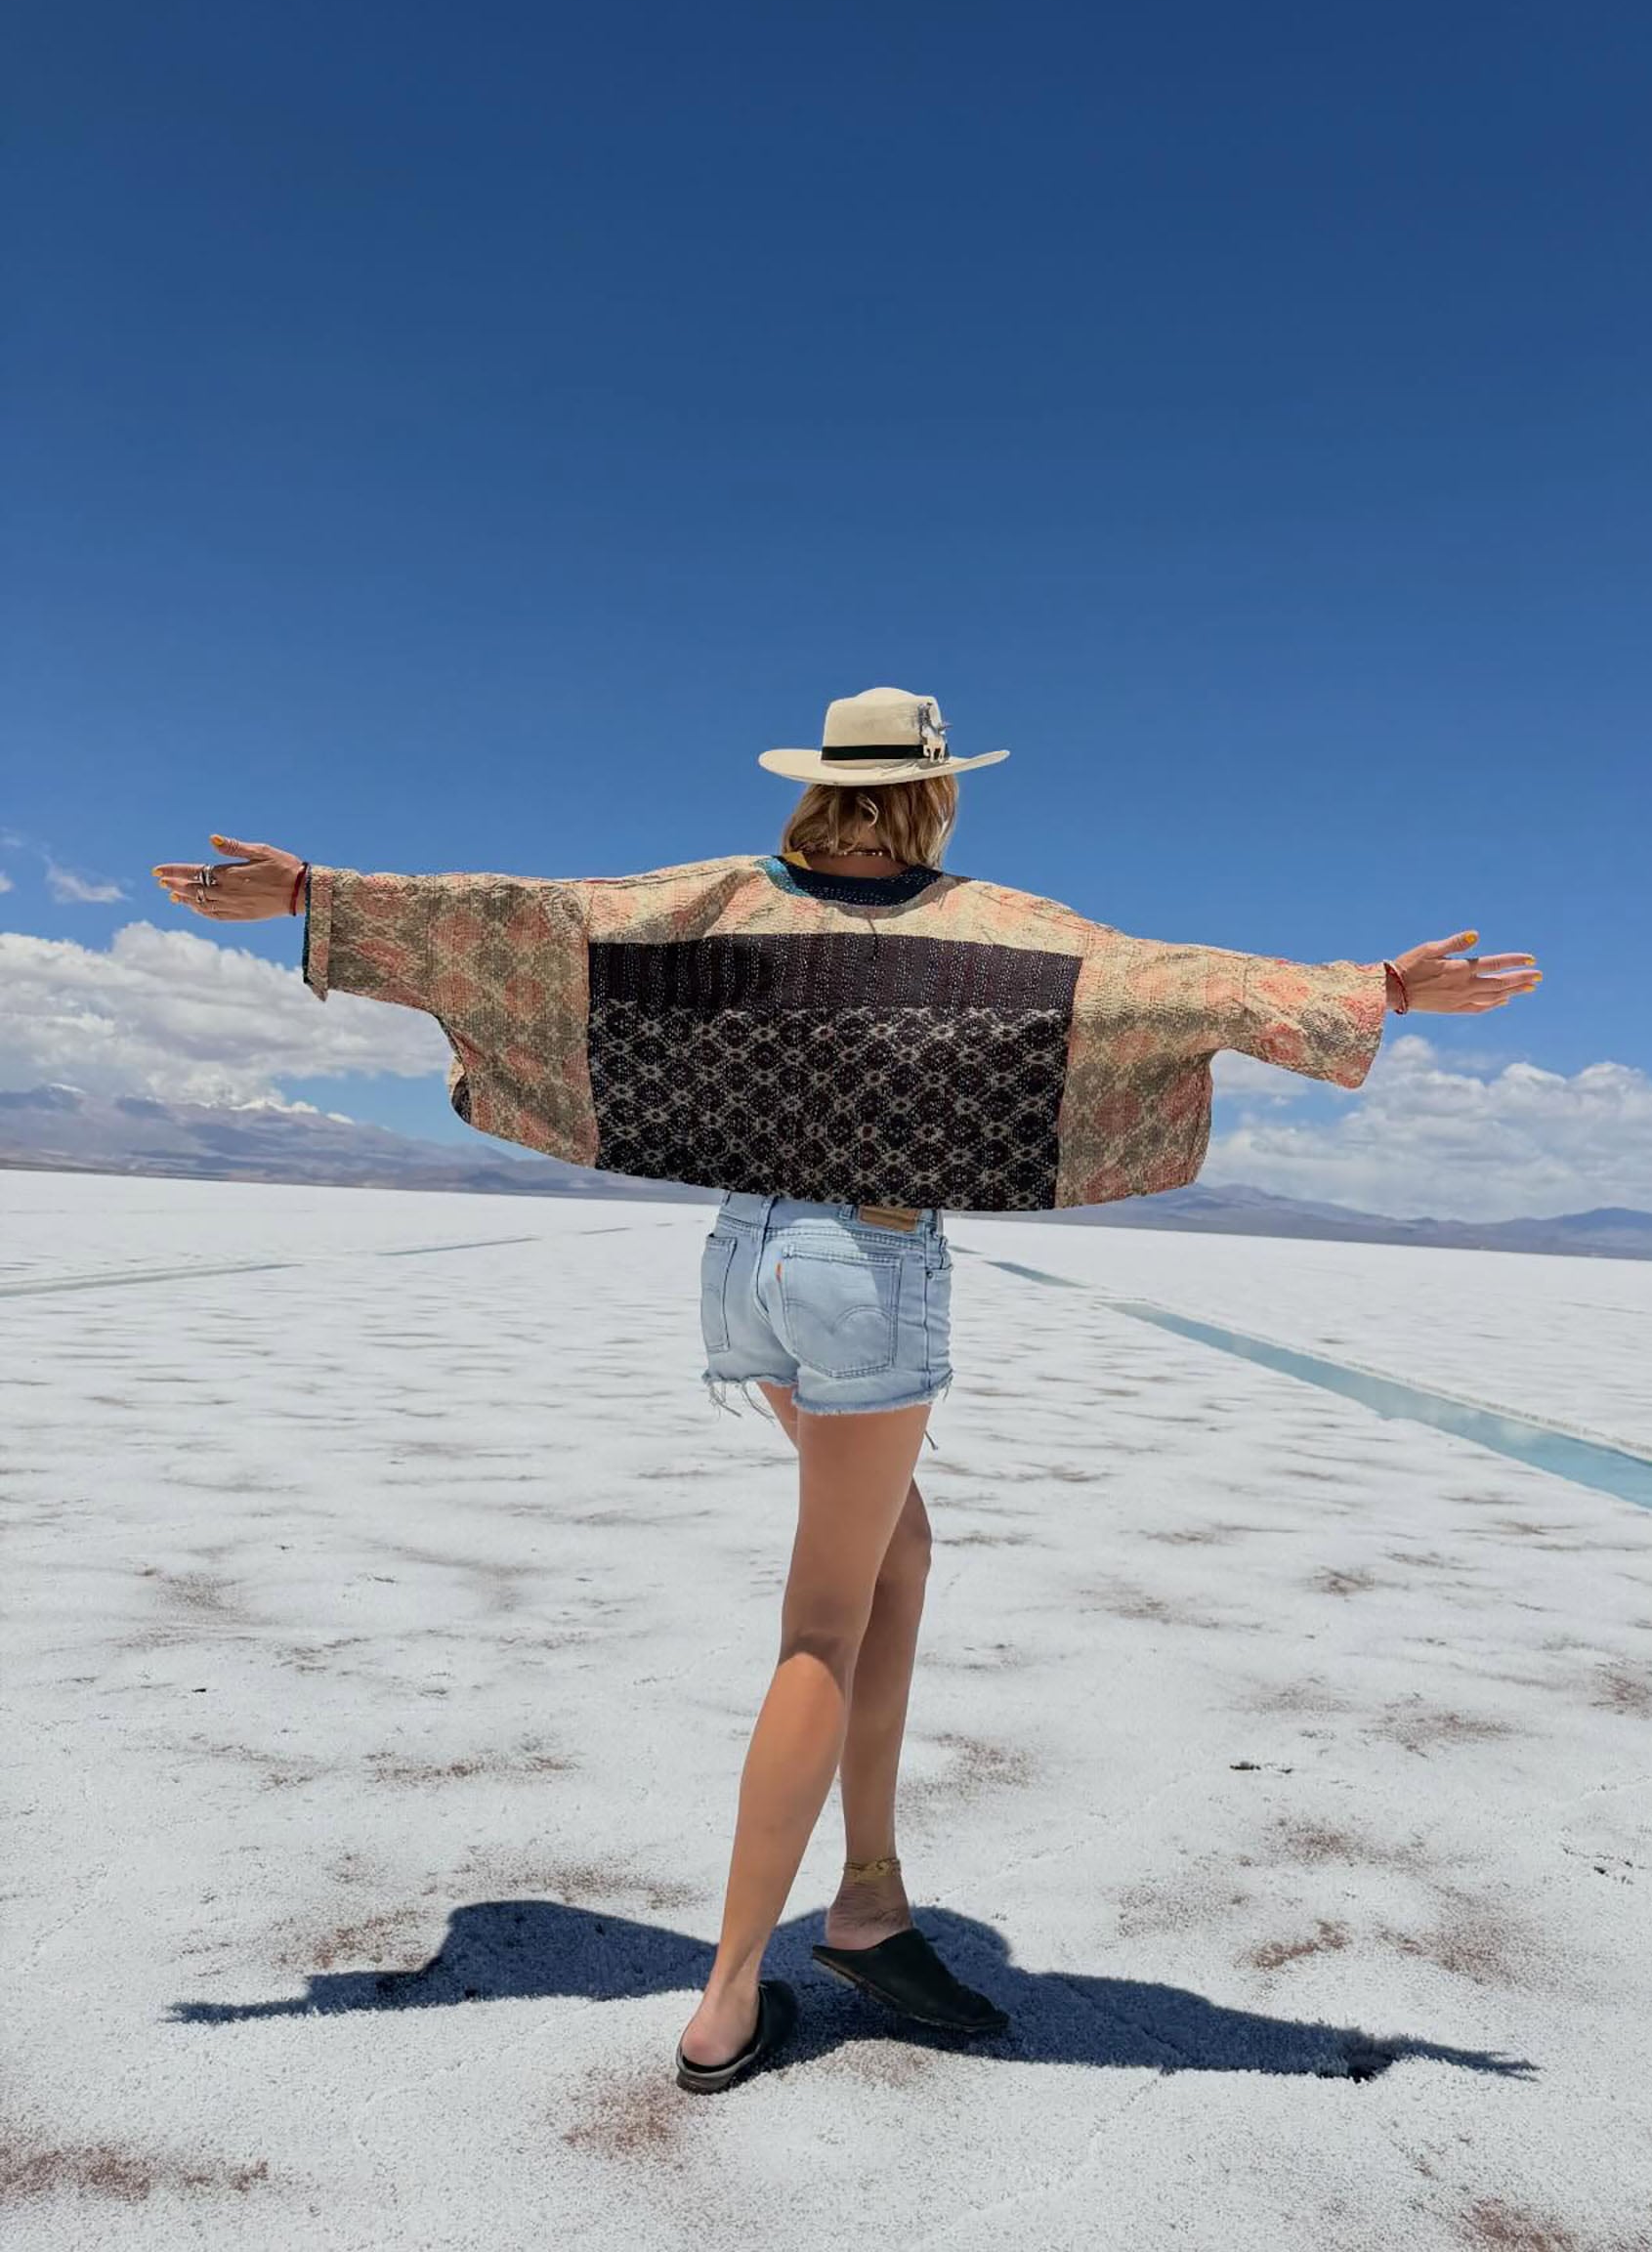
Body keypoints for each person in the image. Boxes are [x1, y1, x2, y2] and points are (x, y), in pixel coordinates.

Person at [152, 683, 1541, 2092]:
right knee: (821, 1625)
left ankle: (868, 1900)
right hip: (867, 1273)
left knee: (898, 1555)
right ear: (938, 790)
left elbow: (526, 922)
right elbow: (1175, 984)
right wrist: (1382, 989)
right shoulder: (993, 928)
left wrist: (317, 894)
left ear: (815, 785)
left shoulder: (717, 903)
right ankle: (729, 2000)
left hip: (742, 1263)